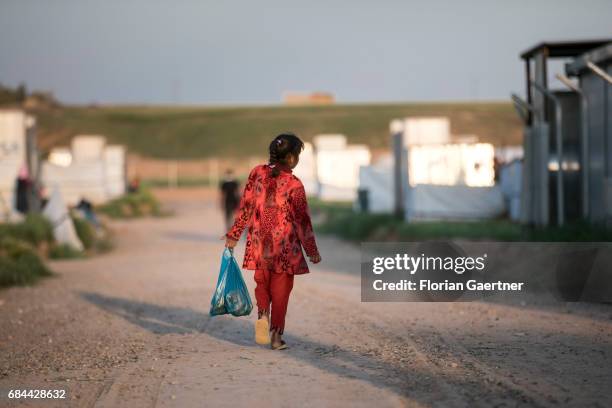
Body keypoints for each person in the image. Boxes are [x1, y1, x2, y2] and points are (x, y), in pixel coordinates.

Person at [223, 133, 321, 350]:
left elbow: (246, 207)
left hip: (259, 245)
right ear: (292, 158)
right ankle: (276, 337)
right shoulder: (294, 184)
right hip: (285, 250)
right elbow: (302, 221)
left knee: (262, 285)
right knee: (281, 293)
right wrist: (311, 250)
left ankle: (263, 315)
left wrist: (234, 234)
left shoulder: (257, 173)